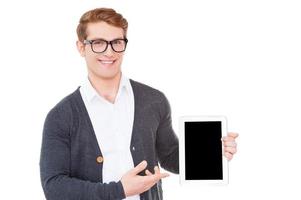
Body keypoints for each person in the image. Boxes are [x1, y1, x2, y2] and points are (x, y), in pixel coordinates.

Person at [39, 8, 239, 200]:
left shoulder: (154, 100)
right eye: (98, 43)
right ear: (81, 47)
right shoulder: (61, 116)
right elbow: (54, 187)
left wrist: (211, 152)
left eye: (117, 42)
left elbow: (170, 156)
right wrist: (119, 190)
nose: (109, 52)